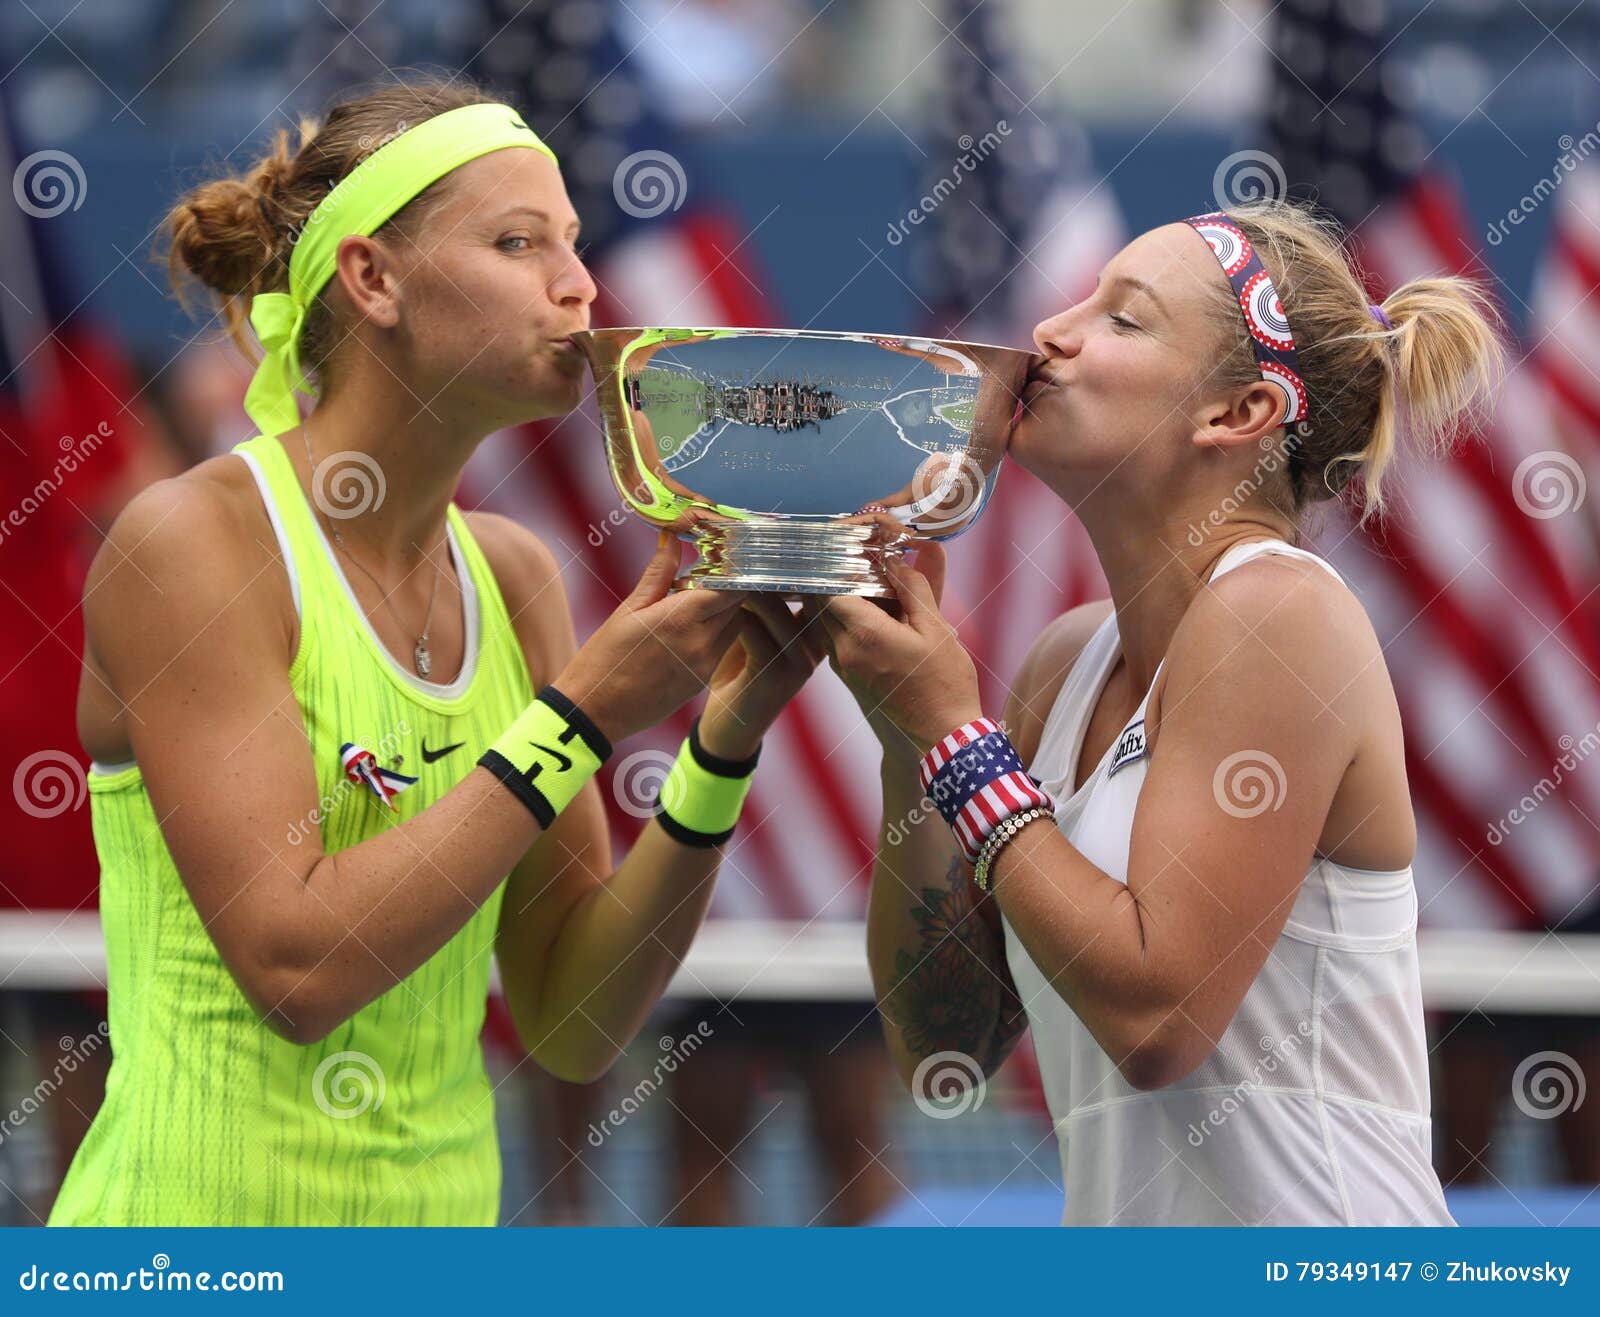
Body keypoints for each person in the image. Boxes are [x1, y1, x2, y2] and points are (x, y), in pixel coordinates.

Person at [49, 78, 818, 1227]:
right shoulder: (194, 542)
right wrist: (580, 716)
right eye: (518, 243)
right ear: (373, 279)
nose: (580, 285)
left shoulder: (512, 579)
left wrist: (723, 739)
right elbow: (297, 970)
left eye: (570, 244)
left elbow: (571, 1020)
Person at [812, 199, 1504, 1226]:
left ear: (1237, 416)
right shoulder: (1063, 665)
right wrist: (907, 736)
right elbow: (944, 1045)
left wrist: (958, 739)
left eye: (1122, 319)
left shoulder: (1280, 611)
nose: (1050, 332)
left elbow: (1156, 1019)